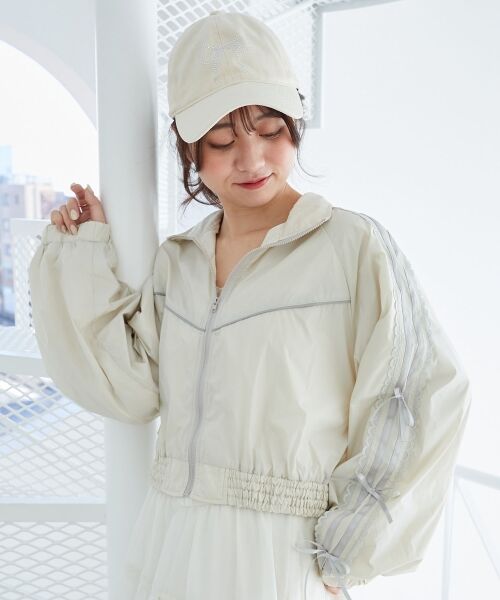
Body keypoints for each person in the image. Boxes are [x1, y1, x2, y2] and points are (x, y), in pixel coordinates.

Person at [28, 10, 472, 600]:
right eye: (222, 139)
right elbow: (131, 388)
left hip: (282, 554)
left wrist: (349, 546)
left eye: (269, 130)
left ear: (294, 126)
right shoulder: (180, 260)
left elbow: (423, 392)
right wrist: (83, 254)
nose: (251, 159)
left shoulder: (352, 247)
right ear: (191, 150)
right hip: (173, 537)